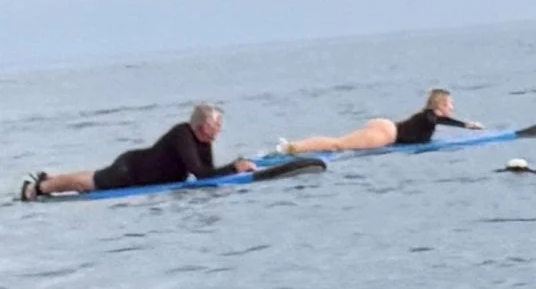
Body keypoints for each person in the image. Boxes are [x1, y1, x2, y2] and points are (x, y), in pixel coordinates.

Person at [19, 102, 256, 199]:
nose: (219, 130)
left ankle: (51, 178)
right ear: (201, 125)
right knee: (87, 183)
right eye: (215, 125)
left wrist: (231, 170)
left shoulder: (203, 141)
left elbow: (206, 171)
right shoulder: (182, 134)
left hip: (135, 168)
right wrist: (234, 168)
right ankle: (38, 187)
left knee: (94, 176)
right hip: (130, 171)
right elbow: (200, 174)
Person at [277, 87, 480, 155]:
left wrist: (467, 125)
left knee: (337, 143)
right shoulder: (429, 116)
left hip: (385, 128)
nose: (452, 107)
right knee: (337, 145)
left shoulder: (429, 117)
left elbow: (442, 120)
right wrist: (466, 126)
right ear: (440, 105)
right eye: (449, 104)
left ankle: (294, 147)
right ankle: (292, 147)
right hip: (386, 134)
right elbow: (442, 120)